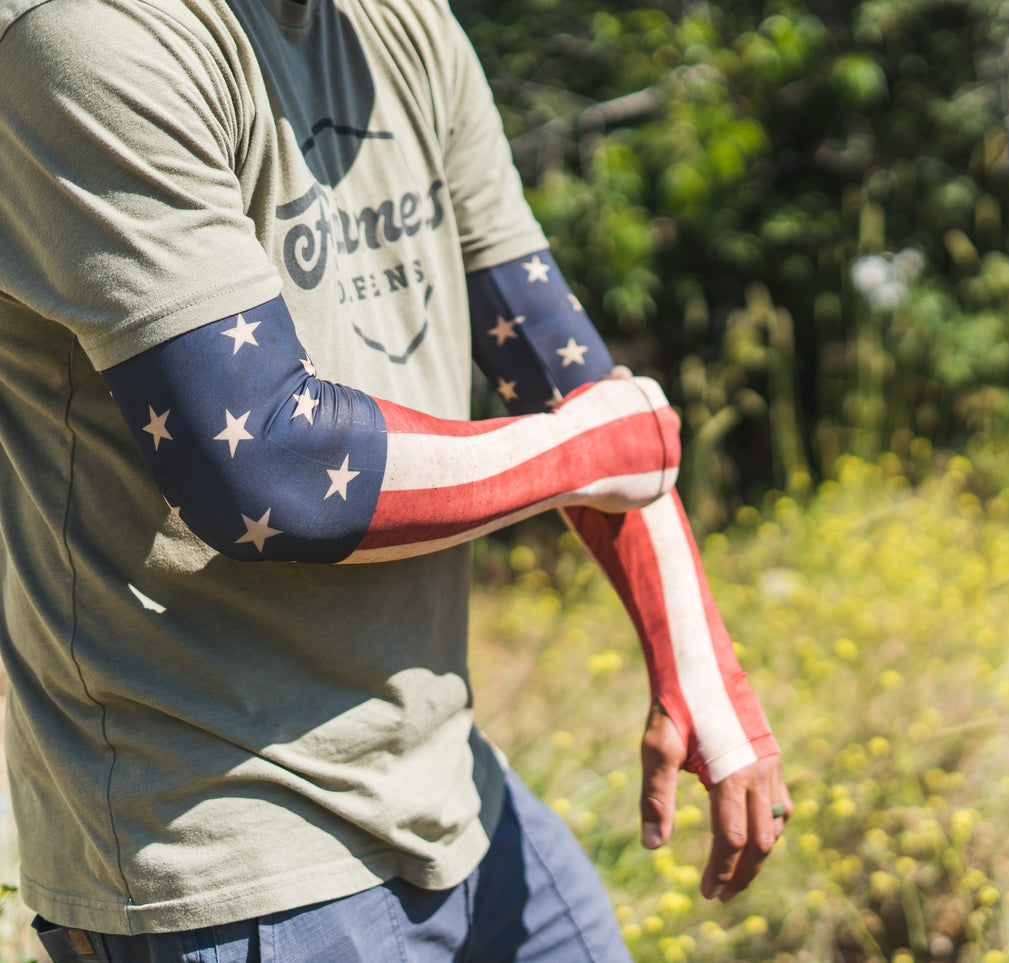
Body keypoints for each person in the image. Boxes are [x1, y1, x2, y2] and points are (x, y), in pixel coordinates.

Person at [0, 0, 788, 957]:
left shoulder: (401, 23)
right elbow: (267, 469)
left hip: (450, 783)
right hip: (225, 843)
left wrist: (700, 669)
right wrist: (591, 450)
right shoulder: (88, 37)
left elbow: (567, 376)